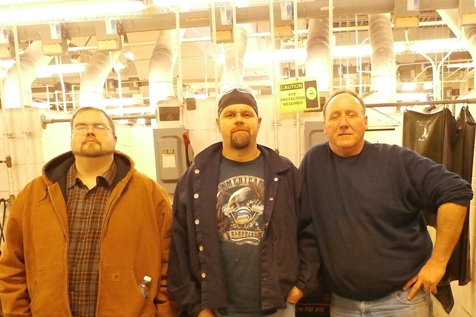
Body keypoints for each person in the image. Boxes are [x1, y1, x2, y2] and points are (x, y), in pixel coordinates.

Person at [299, 89, 473, 317]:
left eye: (351, 114)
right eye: (334, 116)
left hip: (400, 302)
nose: (343, 123)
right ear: (324, 127)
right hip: (343, 304)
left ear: (365, 122)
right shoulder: (314, 162)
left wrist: (438, 263)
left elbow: (456, 191)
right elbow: (302, 223)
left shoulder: (396, 161)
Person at [0, 107, 180, 317]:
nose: (90, 132)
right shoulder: (34, 195)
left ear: (114, 138)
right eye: (81, 127)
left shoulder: (149, 194)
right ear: (71, 138)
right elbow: (12, 265)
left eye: (99, 126)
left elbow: (171, 263)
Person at [167, 86, 319, 317]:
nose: (239, 120)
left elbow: (308, 232)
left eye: (246, 114)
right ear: (218, 123)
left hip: (277, 305)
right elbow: (178, 245)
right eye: (230, 115)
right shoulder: (194, 177)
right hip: (216, 309)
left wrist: (302, 284)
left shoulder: (286, 172)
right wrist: (196, 306)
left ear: (258, 121)